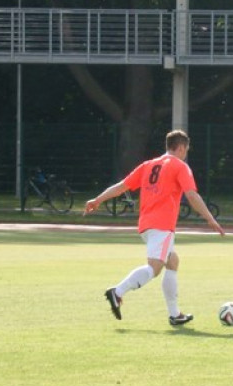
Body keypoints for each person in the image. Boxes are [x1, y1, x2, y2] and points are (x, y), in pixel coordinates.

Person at [83, 129, 225, 326]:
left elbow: (122, 186)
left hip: (146, 224)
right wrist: (210, 219)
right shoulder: (180, 166)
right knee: (154, 267)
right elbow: (192, 195)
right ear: (182, 147)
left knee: (172, 261)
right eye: (186, 150)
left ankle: (175, 314)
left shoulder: (148, 165)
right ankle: (117, 292)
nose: (186, 153)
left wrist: (97, 199)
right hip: (162, 224)